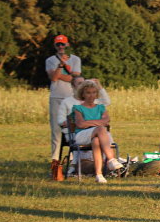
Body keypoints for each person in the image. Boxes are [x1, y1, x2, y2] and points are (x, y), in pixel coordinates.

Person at [70, 80, 122, 183]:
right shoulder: (78, 108)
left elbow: (106, 121)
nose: (91, 95)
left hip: (100, 136)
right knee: (101, 129)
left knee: (96, 141)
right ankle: (111, 159)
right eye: (88, 93)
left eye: (93, 92)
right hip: (82, 135)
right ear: (83, 94)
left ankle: (99, 175)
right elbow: (80, 124)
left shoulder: (101, 107)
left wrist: (89, 122)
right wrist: (99, 123)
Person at [57, 77, 111, 172]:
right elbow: (62, 120)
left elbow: (107, 103)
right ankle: (108, 162)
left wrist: (100, 86)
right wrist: (69, 122)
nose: (83, 84)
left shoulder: (95, 102)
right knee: (99, 131)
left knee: (98, 137)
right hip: (74, 133)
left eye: (84, 82)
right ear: (74, 87)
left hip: (96, 132)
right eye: (79, 83)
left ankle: (101, 169)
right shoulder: (67, 102)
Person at [46, 34, 81, 174]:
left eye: (63, 44)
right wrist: (60, 66)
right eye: (58, 45)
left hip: (72, 97)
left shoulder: (75, 59)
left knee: (73, 128)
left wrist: (62, 73)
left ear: (67, 45)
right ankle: (55, 161)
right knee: (56, 129)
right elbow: (54, 77)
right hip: (56, 97)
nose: (61, 47)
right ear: (55, 46)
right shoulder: (50, 60)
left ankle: (73, 160)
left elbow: (76, 78)